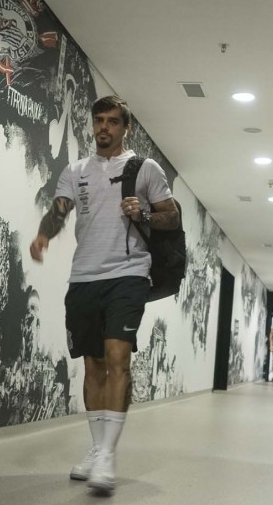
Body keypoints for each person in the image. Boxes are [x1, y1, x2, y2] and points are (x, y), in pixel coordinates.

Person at [29, 95, 179, 494]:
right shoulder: (75, 170)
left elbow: (172, 215)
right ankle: (97, 450)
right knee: (93, 365)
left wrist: (144, 213)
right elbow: (60, 209)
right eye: (99, 120)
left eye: (113, 121)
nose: (104, 128)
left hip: (129, 274)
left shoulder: (145, 169)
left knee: (118, 356)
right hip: (83, 278)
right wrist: (44, 235)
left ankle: (109, 455)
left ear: (124, 127)